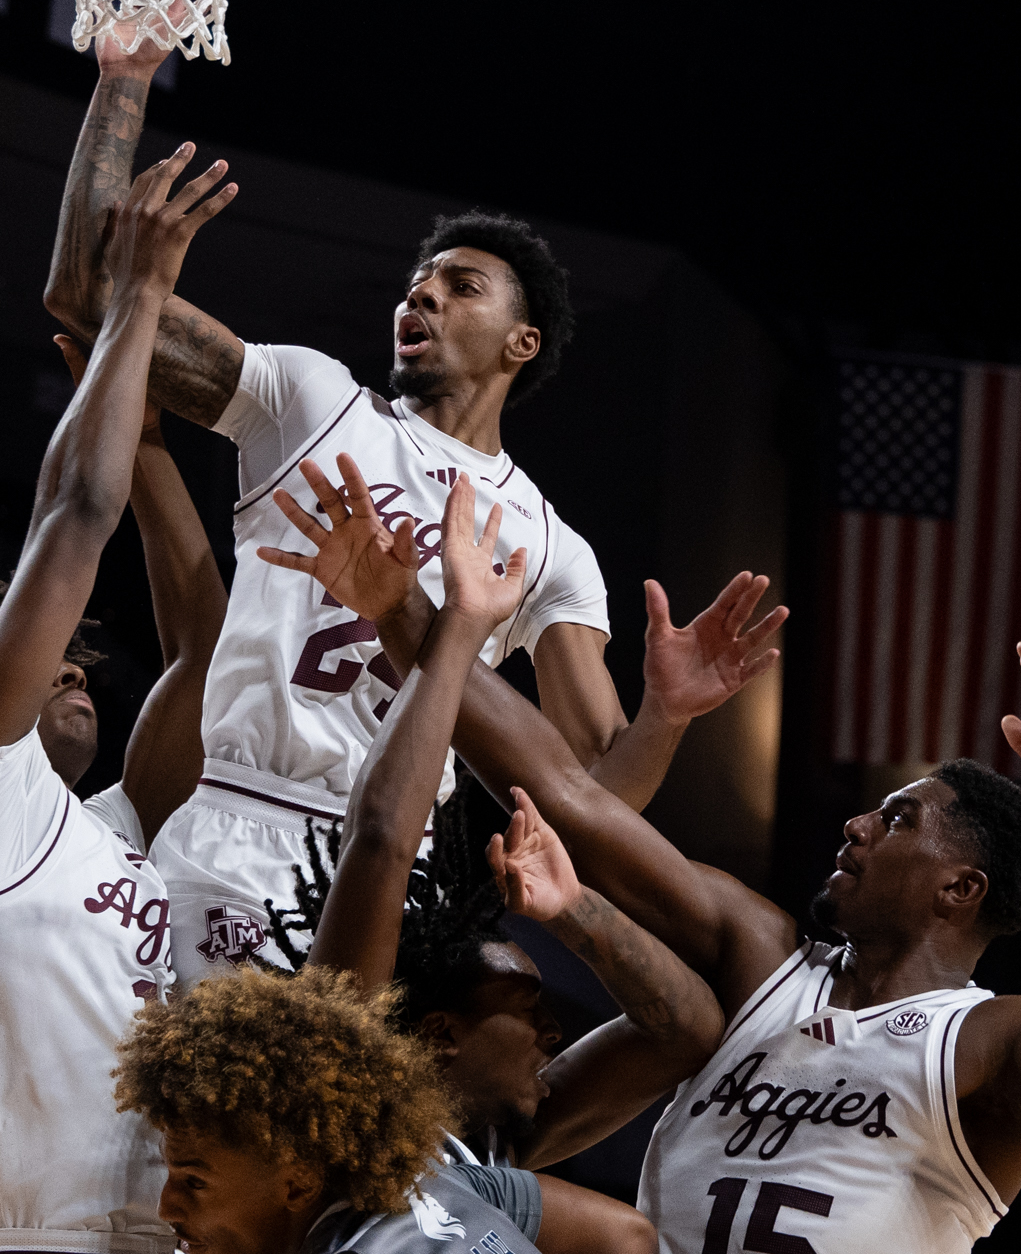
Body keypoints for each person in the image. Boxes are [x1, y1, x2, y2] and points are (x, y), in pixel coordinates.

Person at [256, 455, 1021, 1254]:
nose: (859, 821)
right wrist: (404, 613)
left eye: (898, 817)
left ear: (961, 887)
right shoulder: (762, 953)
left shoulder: (989, 1045)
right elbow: (568, 790)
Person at [41, 25, 786, 984]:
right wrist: (125, 80)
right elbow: (88, 297)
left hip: (388, 868)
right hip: (233, 817)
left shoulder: (553, 547)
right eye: (414, 286)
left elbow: (593, 798)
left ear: (521, 343)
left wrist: (669, 714)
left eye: (456, 287)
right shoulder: (312, 399)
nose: (419, 298)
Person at [0, 143, 233, 1254]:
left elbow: (202, 650)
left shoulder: (116, 829)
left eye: (84, 662)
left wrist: (145, 456)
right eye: (53, 664)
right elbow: (69, 523)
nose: (78, 672)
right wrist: (137, 302)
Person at [277, 468, 726, 1175]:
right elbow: (384, 841)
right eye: (522, 1008)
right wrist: (444, 621)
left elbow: (692, 1028)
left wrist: (575, 909)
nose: (554, 1032)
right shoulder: (333, 1120)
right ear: (439, 1034)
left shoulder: (487, 1145)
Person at [116, 966, 578, 1254]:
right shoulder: (439, 1181)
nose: (166, 1207)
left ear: (298, 1184)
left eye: (194, 1181)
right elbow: (621, 1238)